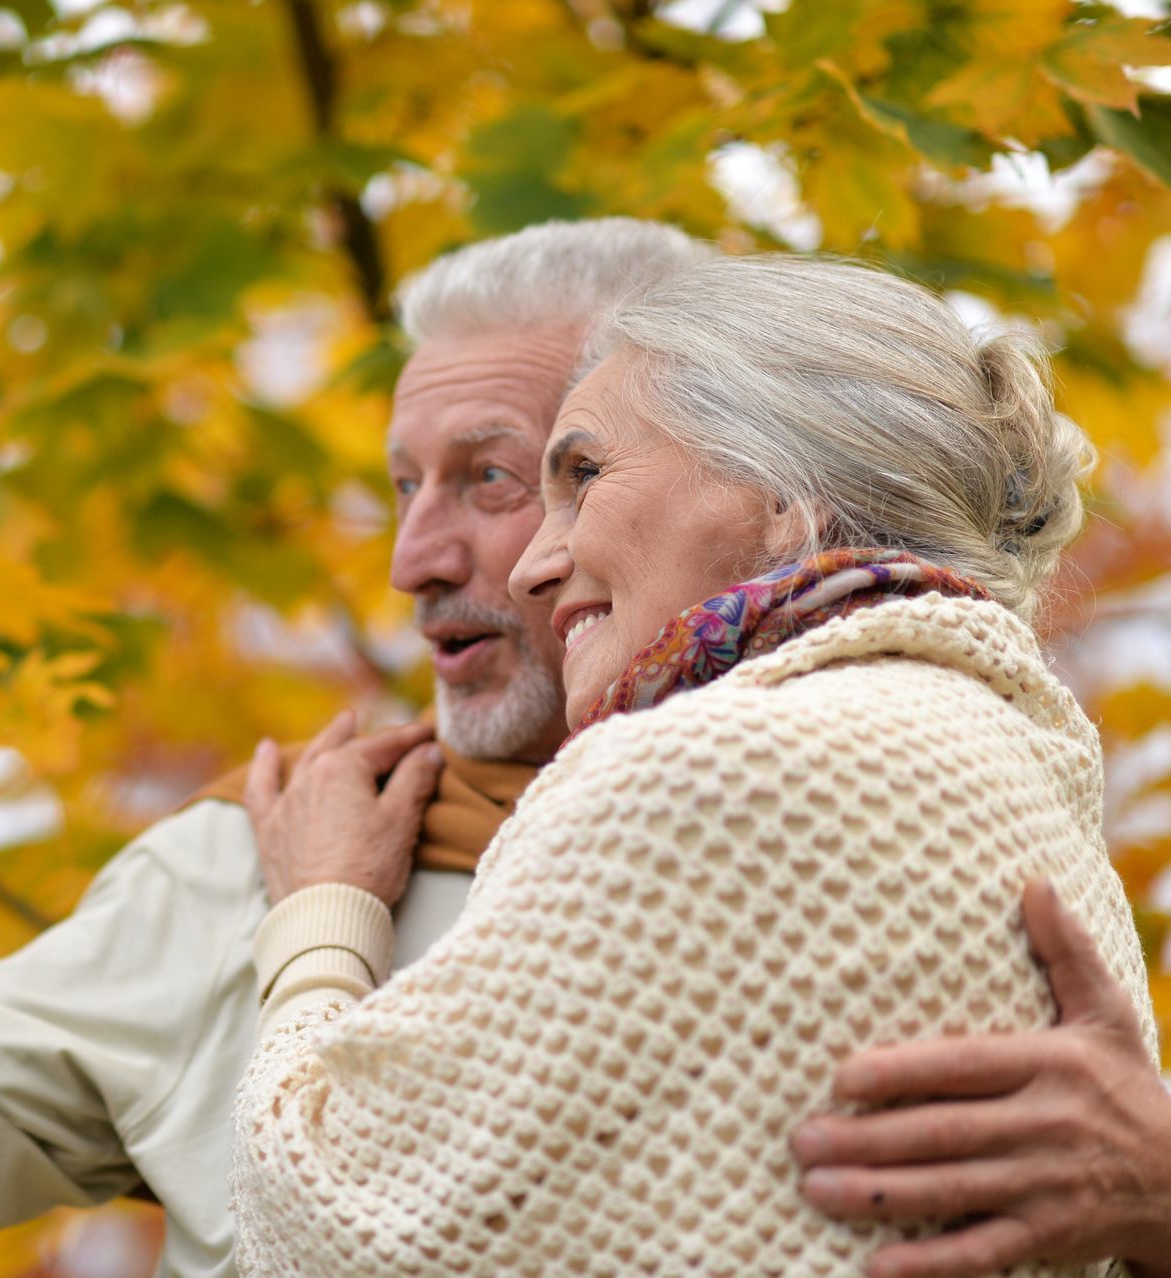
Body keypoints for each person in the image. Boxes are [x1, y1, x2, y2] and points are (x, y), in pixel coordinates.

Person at [0, 223, 1171, 1277]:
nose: (441, 551)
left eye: (524, 469)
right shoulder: (249, 870)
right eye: (410, 485)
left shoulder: (945, 809)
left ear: (731, 459)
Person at [229, 252, 1169, 1276]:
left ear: (782, 491)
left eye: (582, 475)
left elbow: (322, 1229)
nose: (537, 565)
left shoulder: (702, 770)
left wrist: (321, 910)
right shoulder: (1015, 756)